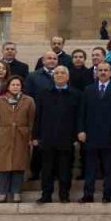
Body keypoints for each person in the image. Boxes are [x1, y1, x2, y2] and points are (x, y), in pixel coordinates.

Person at [77, 62, 111, 203]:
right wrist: (81, 130)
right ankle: (88, 194)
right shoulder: (88, 89)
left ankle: (107, 194)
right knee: (90, 167)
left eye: (106, 70)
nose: (103, 72)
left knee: (108, 167)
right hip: (91, 134)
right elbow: (82, 112)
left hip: (110, 135)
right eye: (100, 70)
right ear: (96, 72)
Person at [32, 66, 80, 204]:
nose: (59, 75)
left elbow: (79, 117)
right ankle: (46, 195)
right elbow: (38, 116)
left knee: (65, 169)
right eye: (56, 73)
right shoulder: (44, 93)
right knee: (47, 169)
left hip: (67, 139)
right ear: (53, 76)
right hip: (47, 138)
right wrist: (35, 136)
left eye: (62, 73)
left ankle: (64, 195)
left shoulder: (76, 94)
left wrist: (76, 136)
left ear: (68, 76)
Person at [0, 75, 34, 203]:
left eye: (18, 85)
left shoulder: (28, 100)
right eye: (13, 84)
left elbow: (32, 121)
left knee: (18, 166)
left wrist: (31, 137)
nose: (15, 87)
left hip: (21, 136)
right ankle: (3, 192)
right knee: (3, 166)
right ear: (8, 86)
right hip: (4, 136)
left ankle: (16, 192)